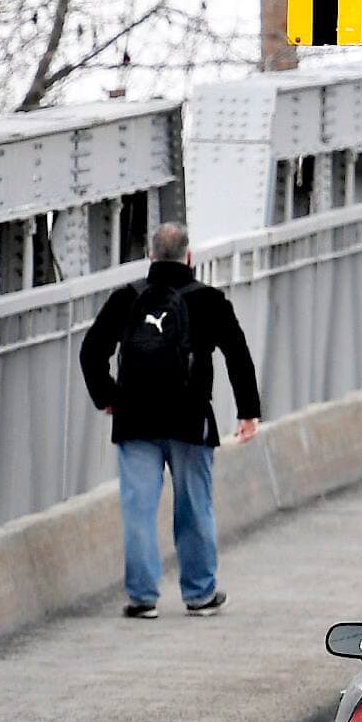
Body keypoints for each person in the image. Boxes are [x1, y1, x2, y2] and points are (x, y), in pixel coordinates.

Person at [81, 222, 261, 618]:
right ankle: (199, 595)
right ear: (189, 257)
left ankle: (143, 598)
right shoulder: (209, 300)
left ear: (150, 257)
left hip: (134, 421)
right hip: (190, 420)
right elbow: (237, 354)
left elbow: (91, 350)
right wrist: (248, 411)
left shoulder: (126, 299)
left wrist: (108, 397)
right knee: (195, 507)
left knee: (139, 510)